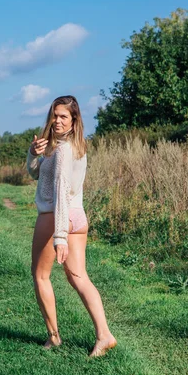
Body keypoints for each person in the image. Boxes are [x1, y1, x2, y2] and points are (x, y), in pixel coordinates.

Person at [26, 95, 117, 357]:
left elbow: (60, 189)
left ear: (74, 120)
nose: (57, 120)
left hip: (57, 216)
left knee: (41, 276)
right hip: (78, 215)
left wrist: (60, 236)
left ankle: (54, 338)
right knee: (79, 277)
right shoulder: (74, 147)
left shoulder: (63, 150)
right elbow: (34, 173)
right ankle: (104, 335)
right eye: (54, 115)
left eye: (63, 116)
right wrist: (34, 155)